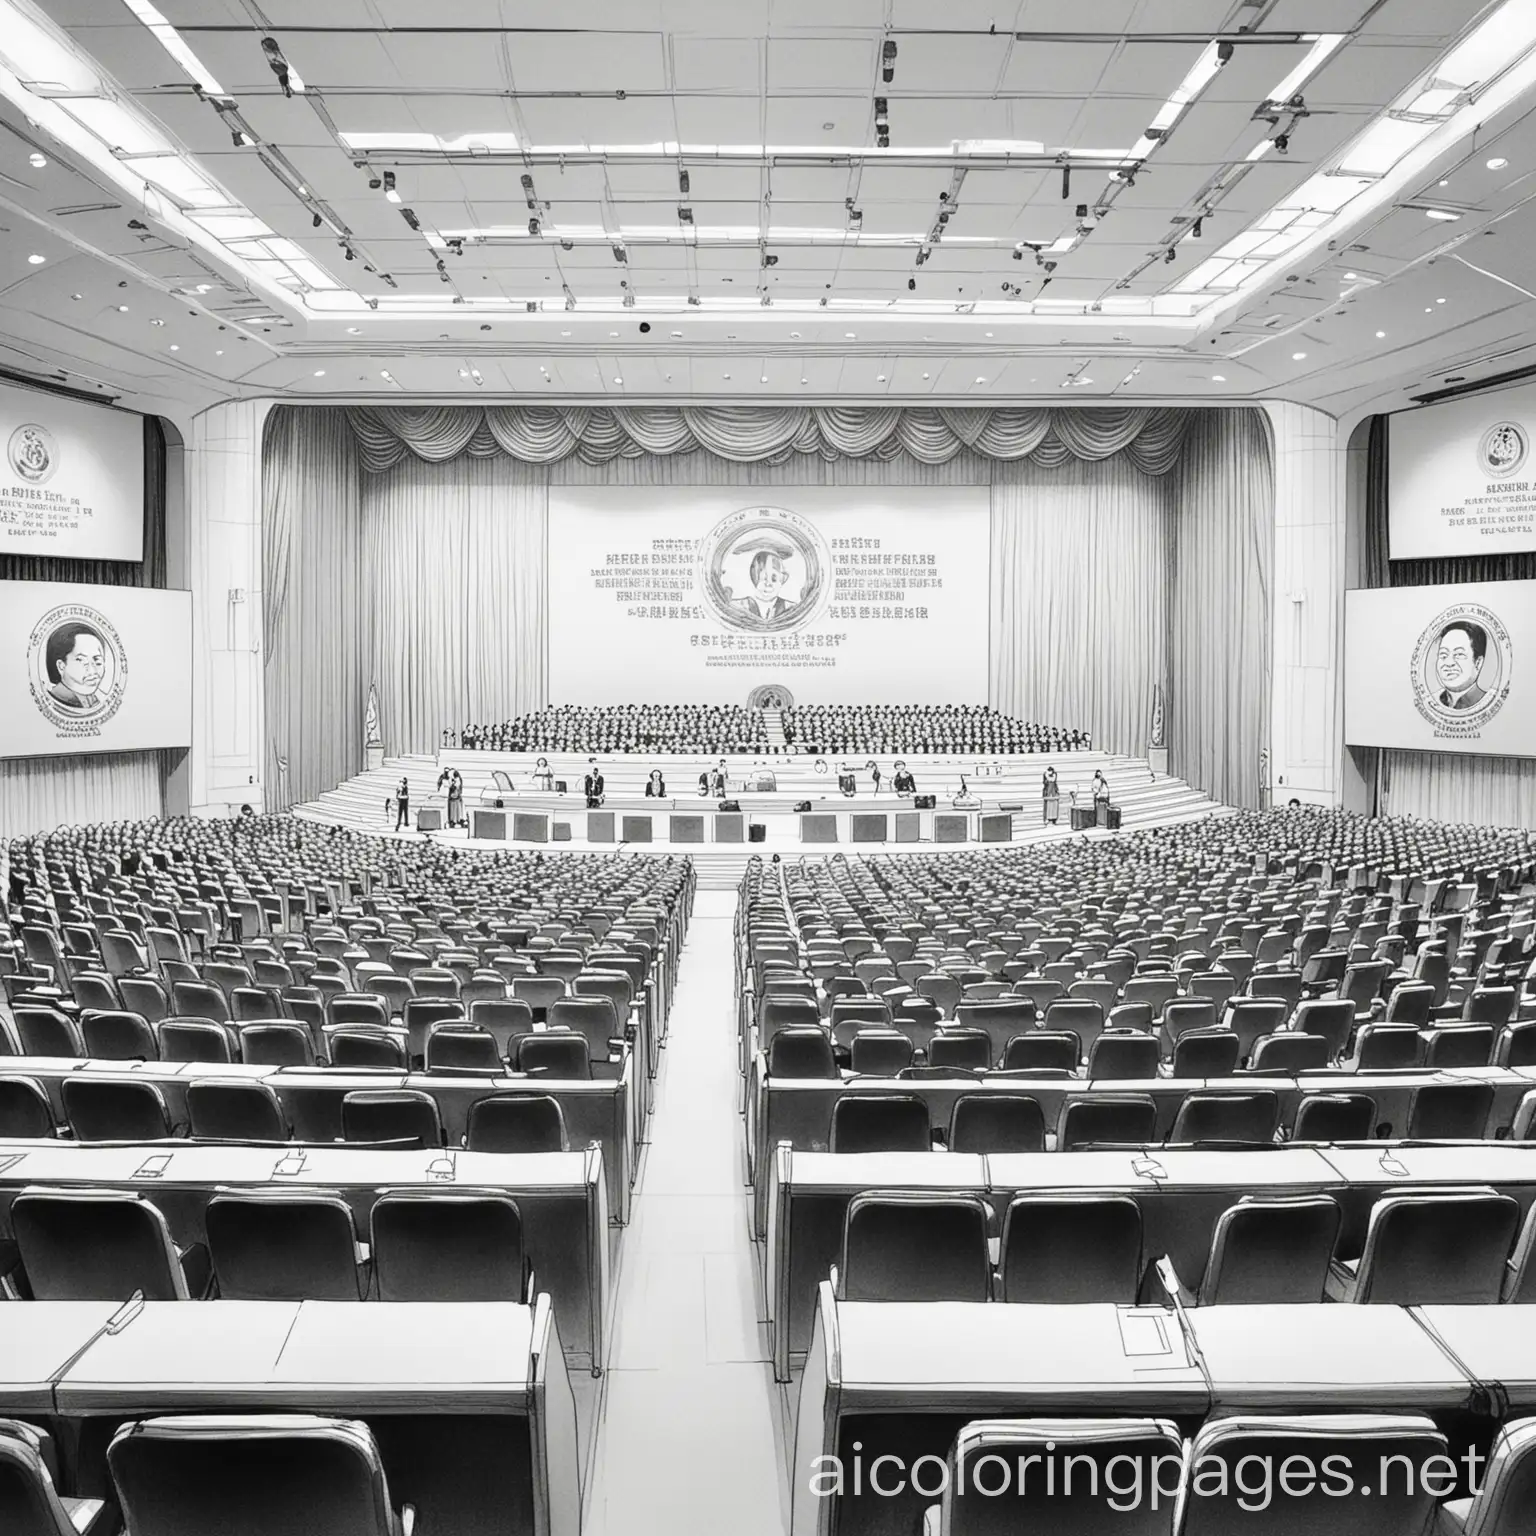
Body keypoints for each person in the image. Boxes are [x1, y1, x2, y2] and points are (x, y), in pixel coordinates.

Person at [43, 623, 107, 713]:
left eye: (98, 661)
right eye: (82, 661)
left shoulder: (97, 700)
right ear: (61, 666)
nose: (92, 671)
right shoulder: (56, 700)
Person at [1435, 621, 1490, 710]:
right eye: (1443, 655)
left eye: (1459, 655)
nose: (1449, 663)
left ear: (1478, 663)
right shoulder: (1433, 700)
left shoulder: (1486, 702)